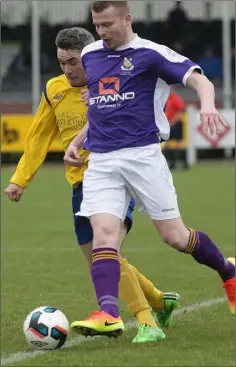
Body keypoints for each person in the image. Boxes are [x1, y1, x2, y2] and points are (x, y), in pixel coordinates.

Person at [64, 1, 235, 338]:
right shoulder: (91, 55)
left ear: (127, 19)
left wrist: (208, 106)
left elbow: (198, 80)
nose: (102, 32)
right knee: (104, 233)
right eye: (97, 25)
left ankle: (228, 271)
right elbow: (100, 103)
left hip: (143, 156)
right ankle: (108, 312)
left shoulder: (151, 53)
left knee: (175, 236)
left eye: (108, 25)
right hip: (101, 159)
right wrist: (80, 138)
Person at [4, 27, 180, 344]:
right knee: (99, 258)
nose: (69, 70)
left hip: (115, 178)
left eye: (74, 62)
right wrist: (20, 180)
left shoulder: (112, 85)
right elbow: (38, 137)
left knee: (107, 253)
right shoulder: (54, 90)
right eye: (63, 63)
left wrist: (100, 99)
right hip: (79, 187)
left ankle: (145, 320)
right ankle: (158, 300)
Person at [162, 89, 189, 170]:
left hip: (176, 123)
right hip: (168, 123)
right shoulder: (166, 98)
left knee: (179, 144)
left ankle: (184, 164)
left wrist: (173, 121)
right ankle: (172, 163)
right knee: (167, 144)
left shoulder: (175, 98)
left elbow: (181, 111)